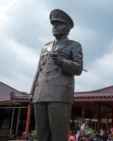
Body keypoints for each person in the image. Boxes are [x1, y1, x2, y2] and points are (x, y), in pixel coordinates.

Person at [29, 9, 84, 141]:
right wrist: (32, 92)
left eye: (58, 24)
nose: (55, 27)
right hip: (40, 94)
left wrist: (62, 62)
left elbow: (78, 68)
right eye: (53, 25)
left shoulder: (74, 46)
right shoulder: (45, 47)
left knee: (58, 134)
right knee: (42, 134)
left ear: (67, 28)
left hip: (59, 94)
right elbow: (38, 70)